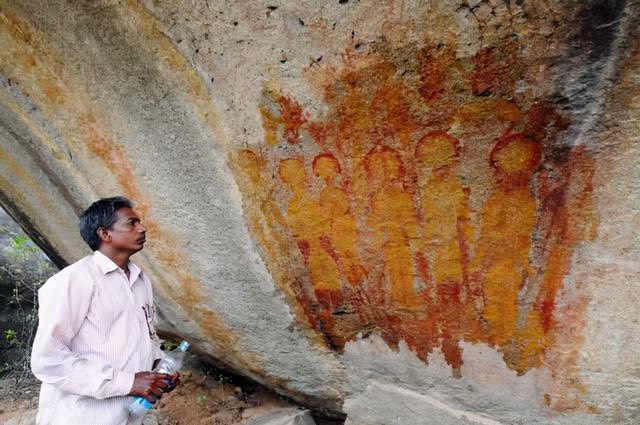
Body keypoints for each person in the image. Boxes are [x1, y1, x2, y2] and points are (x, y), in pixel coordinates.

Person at [31, 196, 179, 425]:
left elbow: (145, 338)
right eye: (131, 223)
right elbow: (48, 360)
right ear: (104, 234)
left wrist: (160, 372)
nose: (142, 228)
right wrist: (127, 383)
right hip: (80, 417)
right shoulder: (74, 281)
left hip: (127, 415)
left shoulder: (141, 280)